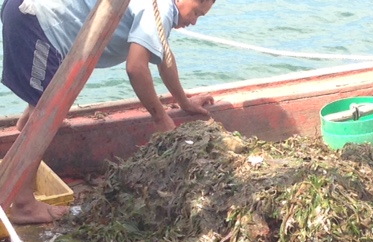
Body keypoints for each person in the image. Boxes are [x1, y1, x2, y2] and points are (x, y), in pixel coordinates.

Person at [1, 0, 215, 225]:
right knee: (46, 118)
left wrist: (184, 102)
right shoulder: (161, 8)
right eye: (196, 13)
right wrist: (161, 117)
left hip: (31, 15)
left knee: (43, 112)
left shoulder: (161, 9)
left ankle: (27, 126)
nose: (194, 21)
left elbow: (165, 59)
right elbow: (136, 67)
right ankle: (23, 205)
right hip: (36, 20)